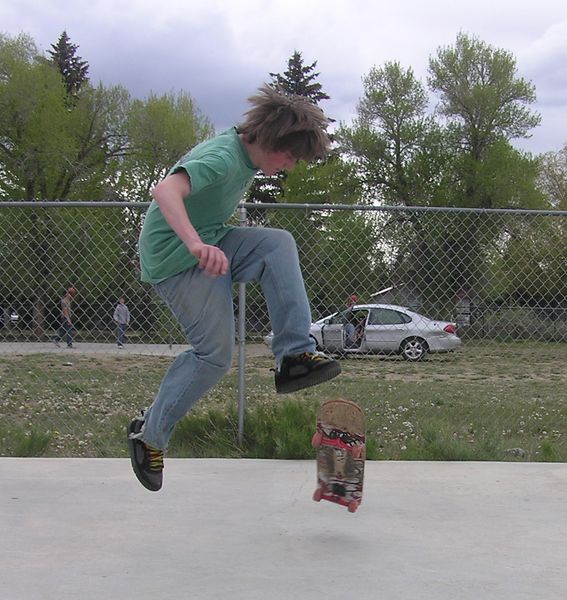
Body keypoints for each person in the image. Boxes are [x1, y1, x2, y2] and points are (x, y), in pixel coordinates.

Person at [127, 84, 341, 492]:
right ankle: (148, 436)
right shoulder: (223, 157)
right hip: (176, 258)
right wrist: (194, 243)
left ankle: (294, 355)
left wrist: (207, 240)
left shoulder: (245, 156)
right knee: (215, 356)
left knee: (277, 244)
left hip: (213, 240)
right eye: (290, 156)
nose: (290, 166)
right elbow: (165, 190)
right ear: (270, 139)